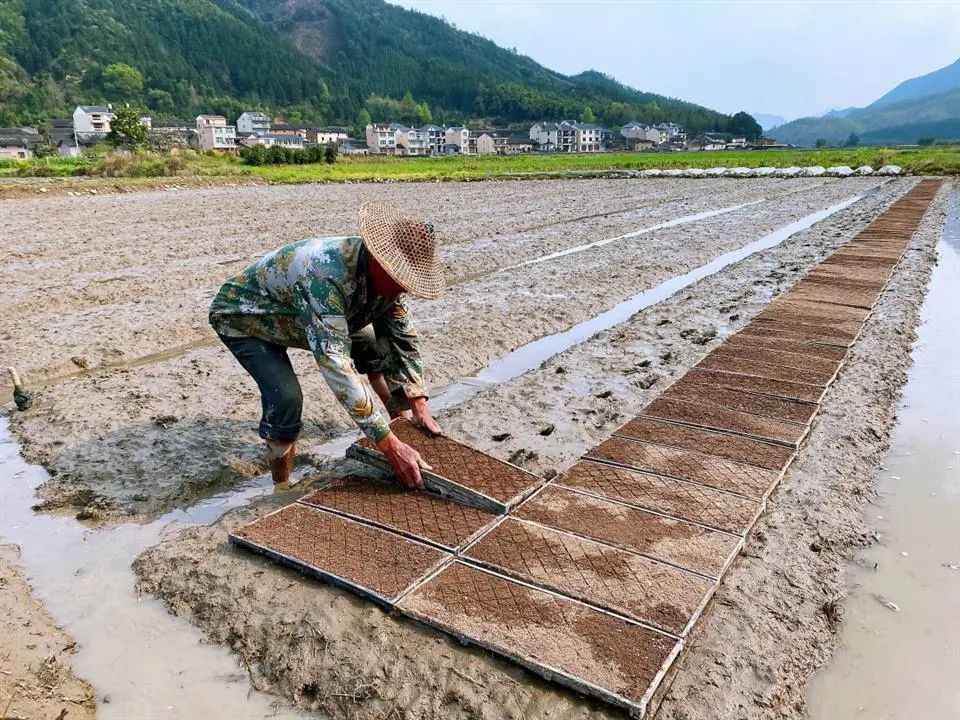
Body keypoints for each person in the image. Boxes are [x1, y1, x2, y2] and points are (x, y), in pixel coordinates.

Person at [208, 201, 444, 487]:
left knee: (371, 344)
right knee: (286, 398)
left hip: (296, 313)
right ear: (379, 260)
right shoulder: (323, 274)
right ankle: (281, 486)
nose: (404, 287)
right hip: (246, 318)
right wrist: (386, 444)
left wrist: (418, 403)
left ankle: (402, 421)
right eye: (400, 277)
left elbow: (402, 339)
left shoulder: (388, 285)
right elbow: (335, 363)